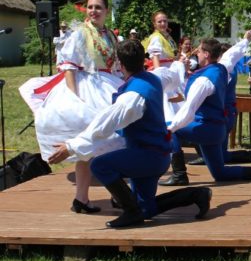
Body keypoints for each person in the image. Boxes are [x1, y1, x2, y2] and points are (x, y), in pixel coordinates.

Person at [48, 40, 211, 228]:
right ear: (144, 60)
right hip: (158, 154)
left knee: (100, 165)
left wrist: (70, 147)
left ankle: (131, 212)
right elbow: (172, 75)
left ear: (120, 64)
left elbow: (104, 125)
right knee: (146, 208)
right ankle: (196, 195)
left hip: (147, 157)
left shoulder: (132, 96)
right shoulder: (154, 77)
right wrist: (179, 68)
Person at [19, 0, 125, 214]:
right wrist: (74, 97)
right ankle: (83, 199)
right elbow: (69, 66)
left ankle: (116, 195)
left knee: (113, 142)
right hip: (87, 85)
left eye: (98, 7)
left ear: (106, 11)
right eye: (90, 7)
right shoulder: (79, 33)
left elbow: (114, 65)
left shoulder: (110, 36)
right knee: (87, 146)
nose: (93, 11)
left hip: (108, 85)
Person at [160, 38, 251, 186]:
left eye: (199, 51)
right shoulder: (221, 68)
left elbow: (188, 110)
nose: (196, 54)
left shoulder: (204, 81)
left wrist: (171, 128)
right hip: (216, 129)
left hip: (206, 129)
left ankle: (179, 174)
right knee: (220, 173)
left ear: (206, 54)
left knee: (169, 131)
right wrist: (245, 40)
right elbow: (232, 54)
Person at [187, 31, 251, 167]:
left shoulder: (224, 70)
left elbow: (231, 55)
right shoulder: (225, 68)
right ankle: (209, 157)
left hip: (225, 113)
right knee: (219, 152)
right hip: (226, 112)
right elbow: (234, 53)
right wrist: (245, 40)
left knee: (221, 154)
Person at [142, 11, 182, 121]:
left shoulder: (167, 37)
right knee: (166, 100)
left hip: (170, 71)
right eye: (159, 21)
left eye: (165, 21)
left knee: (174, 100)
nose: (163, 23)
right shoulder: (156, 37)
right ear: (154, 24)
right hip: (164, 72)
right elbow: (155, 56)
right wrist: (160, 76)